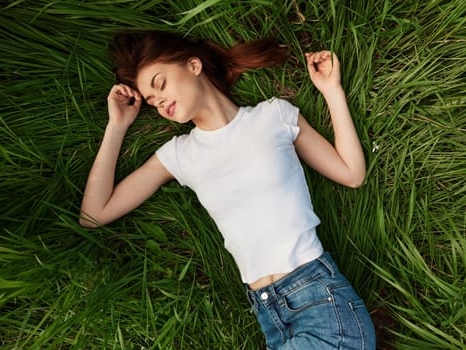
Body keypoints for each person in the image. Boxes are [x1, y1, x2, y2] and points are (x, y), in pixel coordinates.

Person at [79, 31, 376, 349]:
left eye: (160, 84)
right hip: (271, 318)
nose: (159, 101)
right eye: (151, 100)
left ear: (193, 65)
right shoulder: (179, 155)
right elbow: (93, 214)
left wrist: (331, 91)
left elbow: (351, 174)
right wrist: (117, 126)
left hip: (322, 305)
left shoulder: (273, 116)